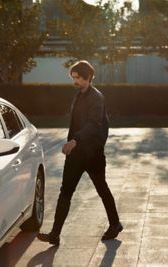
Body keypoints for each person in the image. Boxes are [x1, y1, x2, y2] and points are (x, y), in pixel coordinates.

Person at [37, 60, 122, 246]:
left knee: (102, 189)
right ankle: (55, 234)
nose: (74, 81)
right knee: (65, 191)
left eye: (78, 78)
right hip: (76, 155)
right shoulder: (78, 95)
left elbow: (94, 124)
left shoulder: (97, 98)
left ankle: (115, 224)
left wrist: (75, 140)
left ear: (89, 77)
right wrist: (72, 144)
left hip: (92, 155)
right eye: (73, 78)